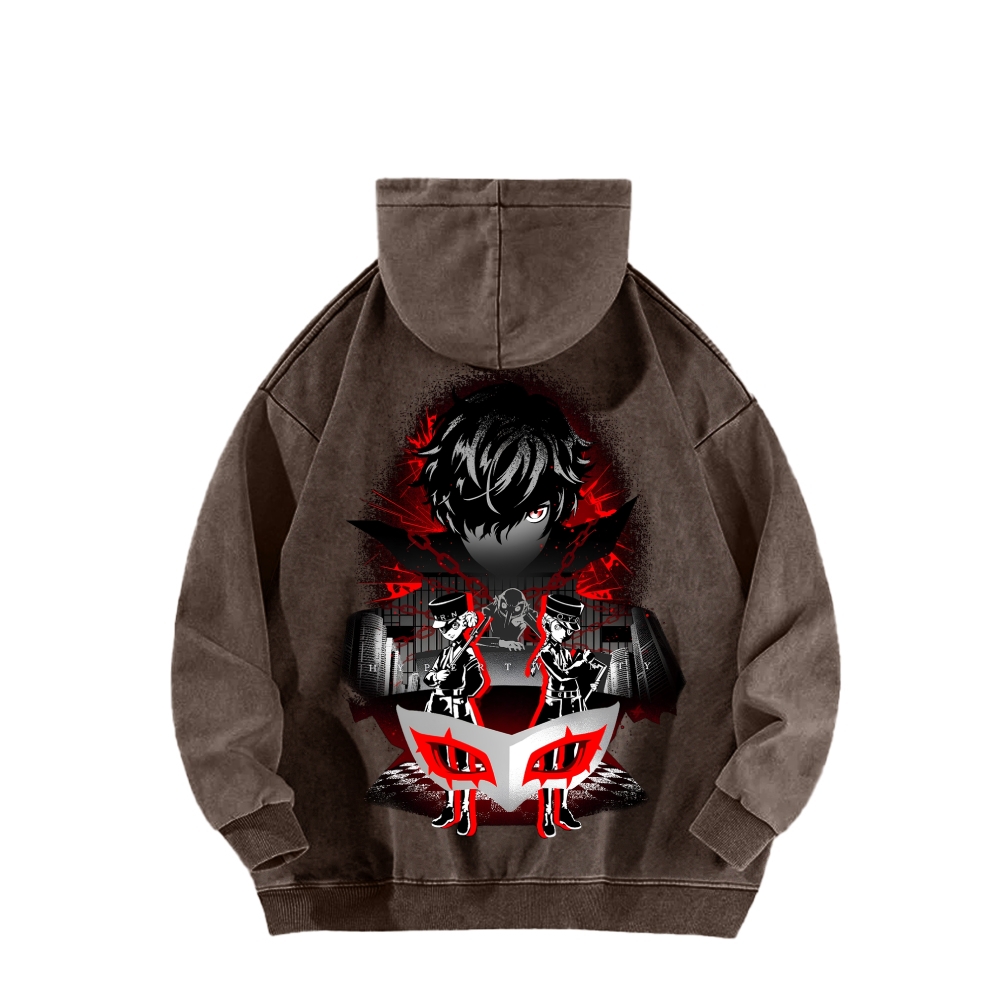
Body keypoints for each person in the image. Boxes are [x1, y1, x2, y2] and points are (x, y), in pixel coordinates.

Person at [532, 593, 604, 838]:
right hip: (553, 711)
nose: (568, 633)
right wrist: (581, 663)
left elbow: (573, 680)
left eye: (570, 629)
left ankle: (561, 809)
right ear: (551, 624)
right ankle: (546, 813)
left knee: (568, 765)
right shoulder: (546, 652)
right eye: (564, 628)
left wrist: (590, 675)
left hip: (573, 708)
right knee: (549, 765)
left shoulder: (564, 652)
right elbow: (562, 676)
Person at [423, 591, 485, 836]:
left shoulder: (468, 653)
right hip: (439, 709)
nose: (445, 632)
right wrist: (437, 676)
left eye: (449, 626)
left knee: (462, 764)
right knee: (444, 764)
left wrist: (459, 689)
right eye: (443, 628)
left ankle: (466, 811)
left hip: (458, 709)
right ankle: (451, 807)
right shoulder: (446, 654)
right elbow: (429, 677)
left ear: (460, 623)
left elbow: (477, 683)